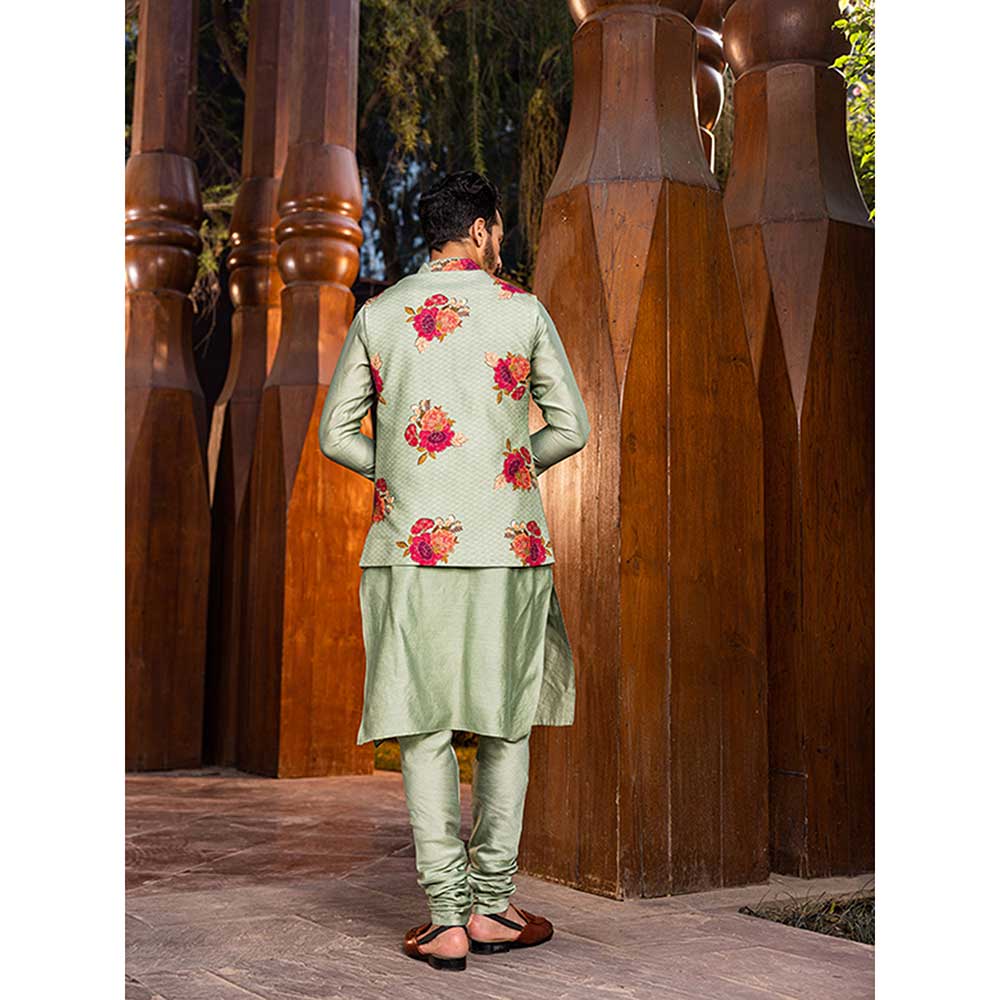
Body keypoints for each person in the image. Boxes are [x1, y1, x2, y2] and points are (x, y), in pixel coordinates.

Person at [318, 170, 590, 973]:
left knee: (423, 725)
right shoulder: (521, 309)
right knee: (506, 722)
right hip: (508, 544)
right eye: (497, 230)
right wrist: (503, 469)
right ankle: (492, 906)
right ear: (480, 230)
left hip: (411, 547)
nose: (499, 241)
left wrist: (410, 473)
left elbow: (336, 435)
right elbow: (570, 427)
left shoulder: (381, 315)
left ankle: (445, 922)